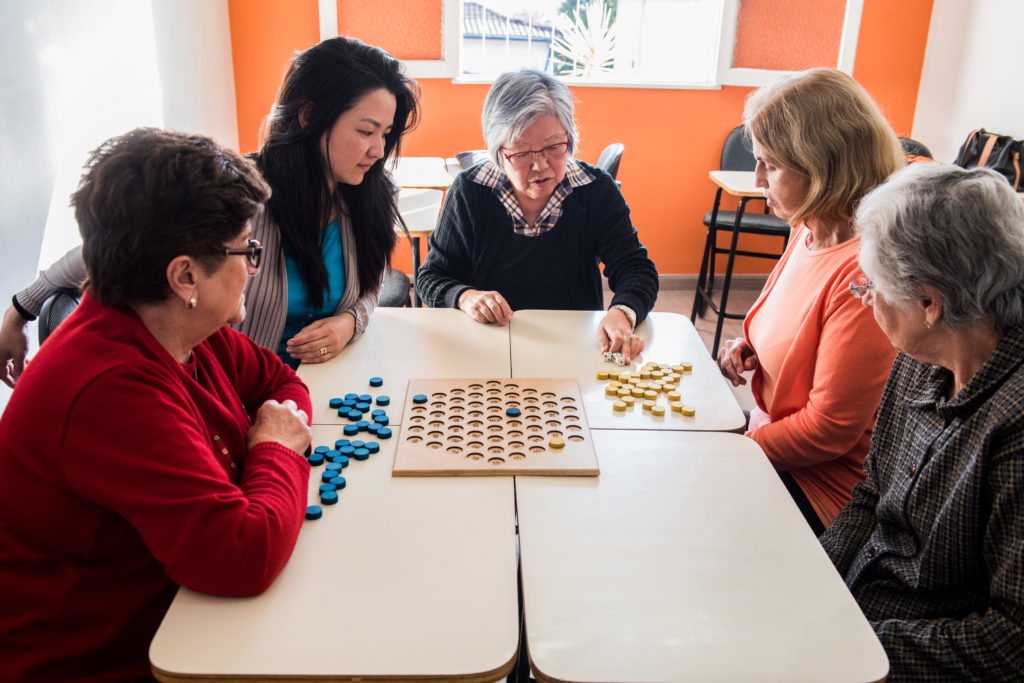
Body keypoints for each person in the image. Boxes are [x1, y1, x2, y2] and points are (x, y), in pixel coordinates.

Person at [0, 129, 314, 680]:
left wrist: (263, 457)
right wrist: (272, 448)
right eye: (249, 251)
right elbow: (241, 555)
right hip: (99, 658)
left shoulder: (181, 322)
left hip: (184, 617)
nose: (254, 268)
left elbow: (281, 384)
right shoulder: (107, 386)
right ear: (185, 275)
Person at [0, 36, 420, 377]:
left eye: (386, 134)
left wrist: (351, 322)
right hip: (239, 396)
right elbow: (116, 247)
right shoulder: (238, 192)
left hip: (326, 383)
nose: (378, 150)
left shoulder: (372, 193)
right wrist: (20, 310)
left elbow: (369, 283)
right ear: (309, 116)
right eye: (366, 131)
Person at [821, 163, 1024, 680]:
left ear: (929, 302)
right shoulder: (923, 355)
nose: (864, 299)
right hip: (861, 607)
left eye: (870, 286)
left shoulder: (1015, 426)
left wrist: (850, 645)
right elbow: (872, 494)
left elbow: (1010, 642)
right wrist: (815, 579)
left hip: (910, 653)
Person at [716, 69, 903, 533]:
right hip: (770, 438)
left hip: (822, 487)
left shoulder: (865, 273)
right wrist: (751, 347)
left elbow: (829, 429)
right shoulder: (807, 228)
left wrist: (736, 450)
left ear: (824, 168)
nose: (758, 178)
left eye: (772, 165)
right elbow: (797, 329)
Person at [415, 69, 658, 364]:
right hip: (483, 349)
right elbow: (430, 277)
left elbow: (636, 268)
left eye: (554, 147)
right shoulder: (470, 191)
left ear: (569, 138)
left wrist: (621, 313)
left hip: (573, 351)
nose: (540, 164)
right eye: (522, 153)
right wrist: (465, 296)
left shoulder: (595, 190)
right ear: (498, 152)